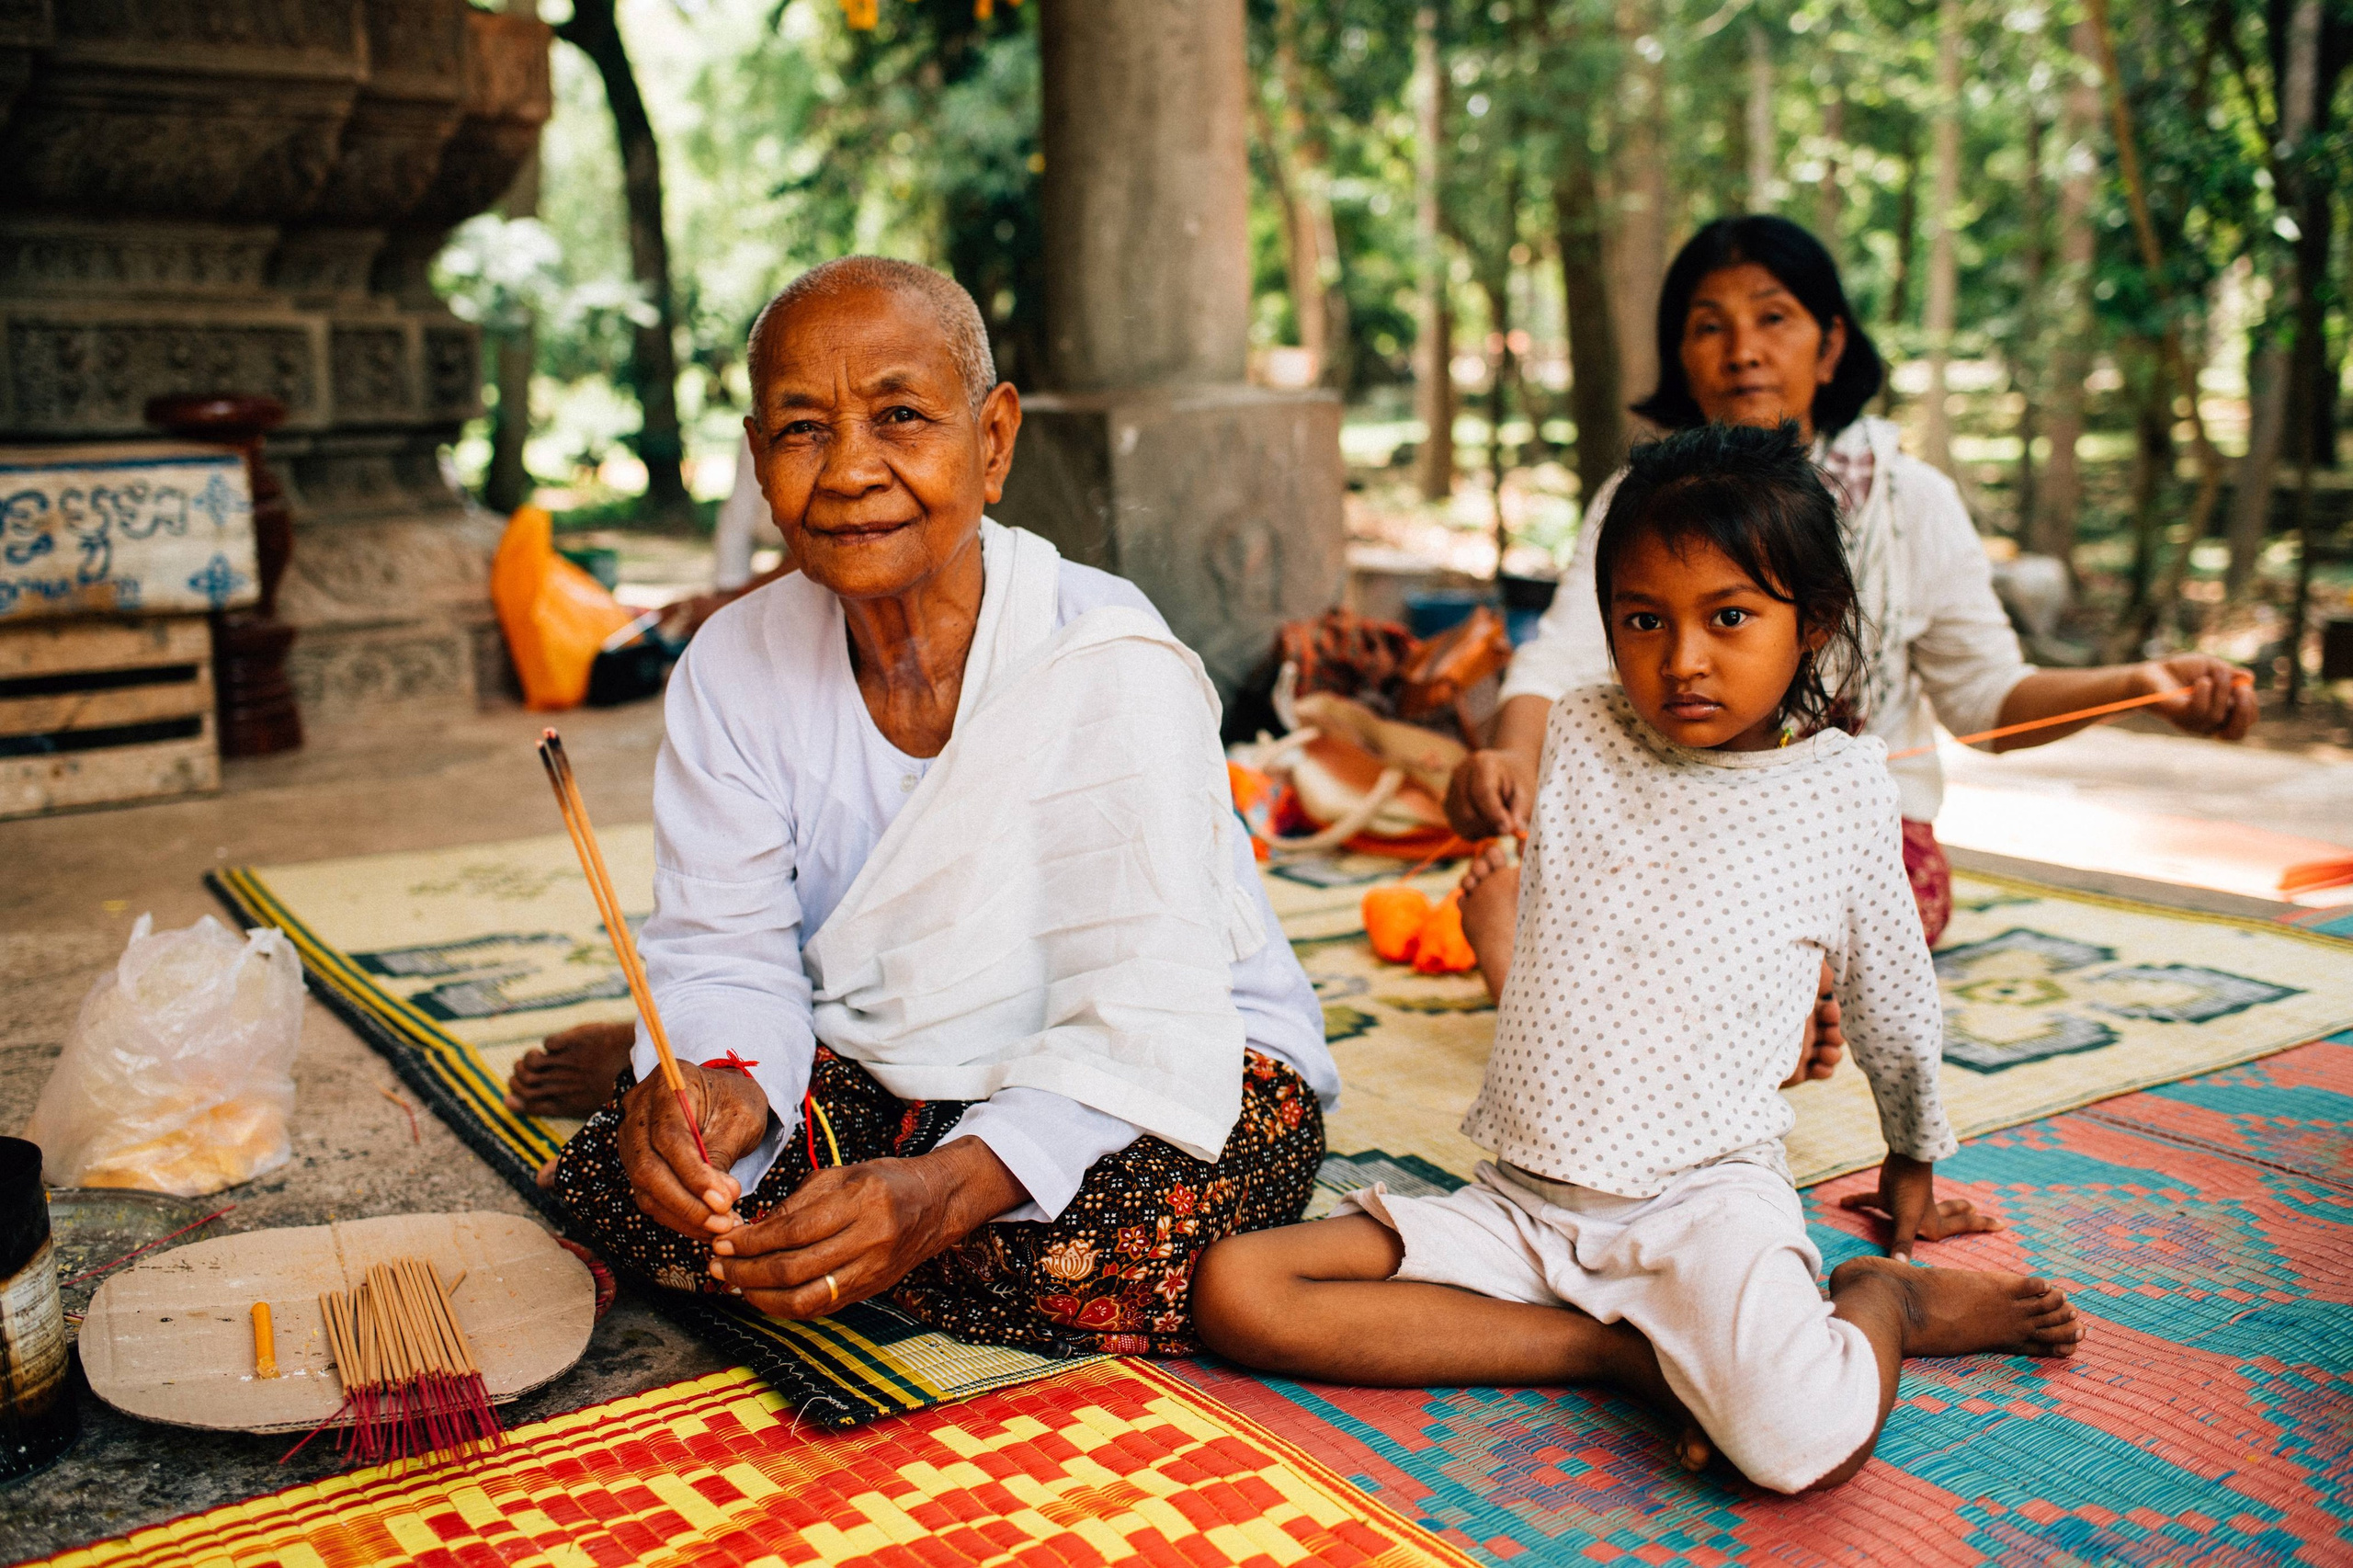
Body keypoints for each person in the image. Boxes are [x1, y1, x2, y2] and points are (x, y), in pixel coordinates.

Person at [1191, 424, 2082, 1494]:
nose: (1682, 658)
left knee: (1801, 1445)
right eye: (1643, 620)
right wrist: (1483, 780)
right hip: (1524, 1204)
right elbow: (1553, 884)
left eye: (1730, 616)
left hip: (1698, 1209)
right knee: (1238, 1289)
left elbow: (1894, 996)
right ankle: (1621, 1354)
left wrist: (1913, 1160)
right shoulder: (1579, 734)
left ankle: (1879, 1300)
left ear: (1816, 623)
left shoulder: (1840, 790)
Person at [543, 256, 1336, 1355]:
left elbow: (1145, 1016)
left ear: (994, 440)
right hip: (890, 1056)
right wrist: (719, 1081)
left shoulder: (1106, 654)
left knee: (1109, 1242)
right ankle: (798, 1188)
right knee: (630, 1180)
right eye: (802, 430)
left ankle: (874, 1238)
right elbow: (727, 952)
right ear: (758, 458)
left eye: (901, 416)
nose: (851, 470)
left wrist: (943, 1192)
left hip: (1164, 1056)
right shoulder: (728, 665)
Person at [1447, 215, 2255, 993]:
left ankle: (1586, 989)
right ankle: (1662, 999)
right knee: (1607, 889)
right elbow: (1564, 658)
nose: (1743, 353)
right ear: (1680, 356)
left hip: (1858, 843)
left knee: (1747, 930)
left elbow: (1987, 703)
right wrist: (1513, 762)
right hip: (1668, 815)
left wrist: (2143, 687)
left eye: (1774, 319)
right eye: (1709, 327)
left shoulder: (1912, 502)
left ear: (1831, 346)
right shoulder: (1637, 502)